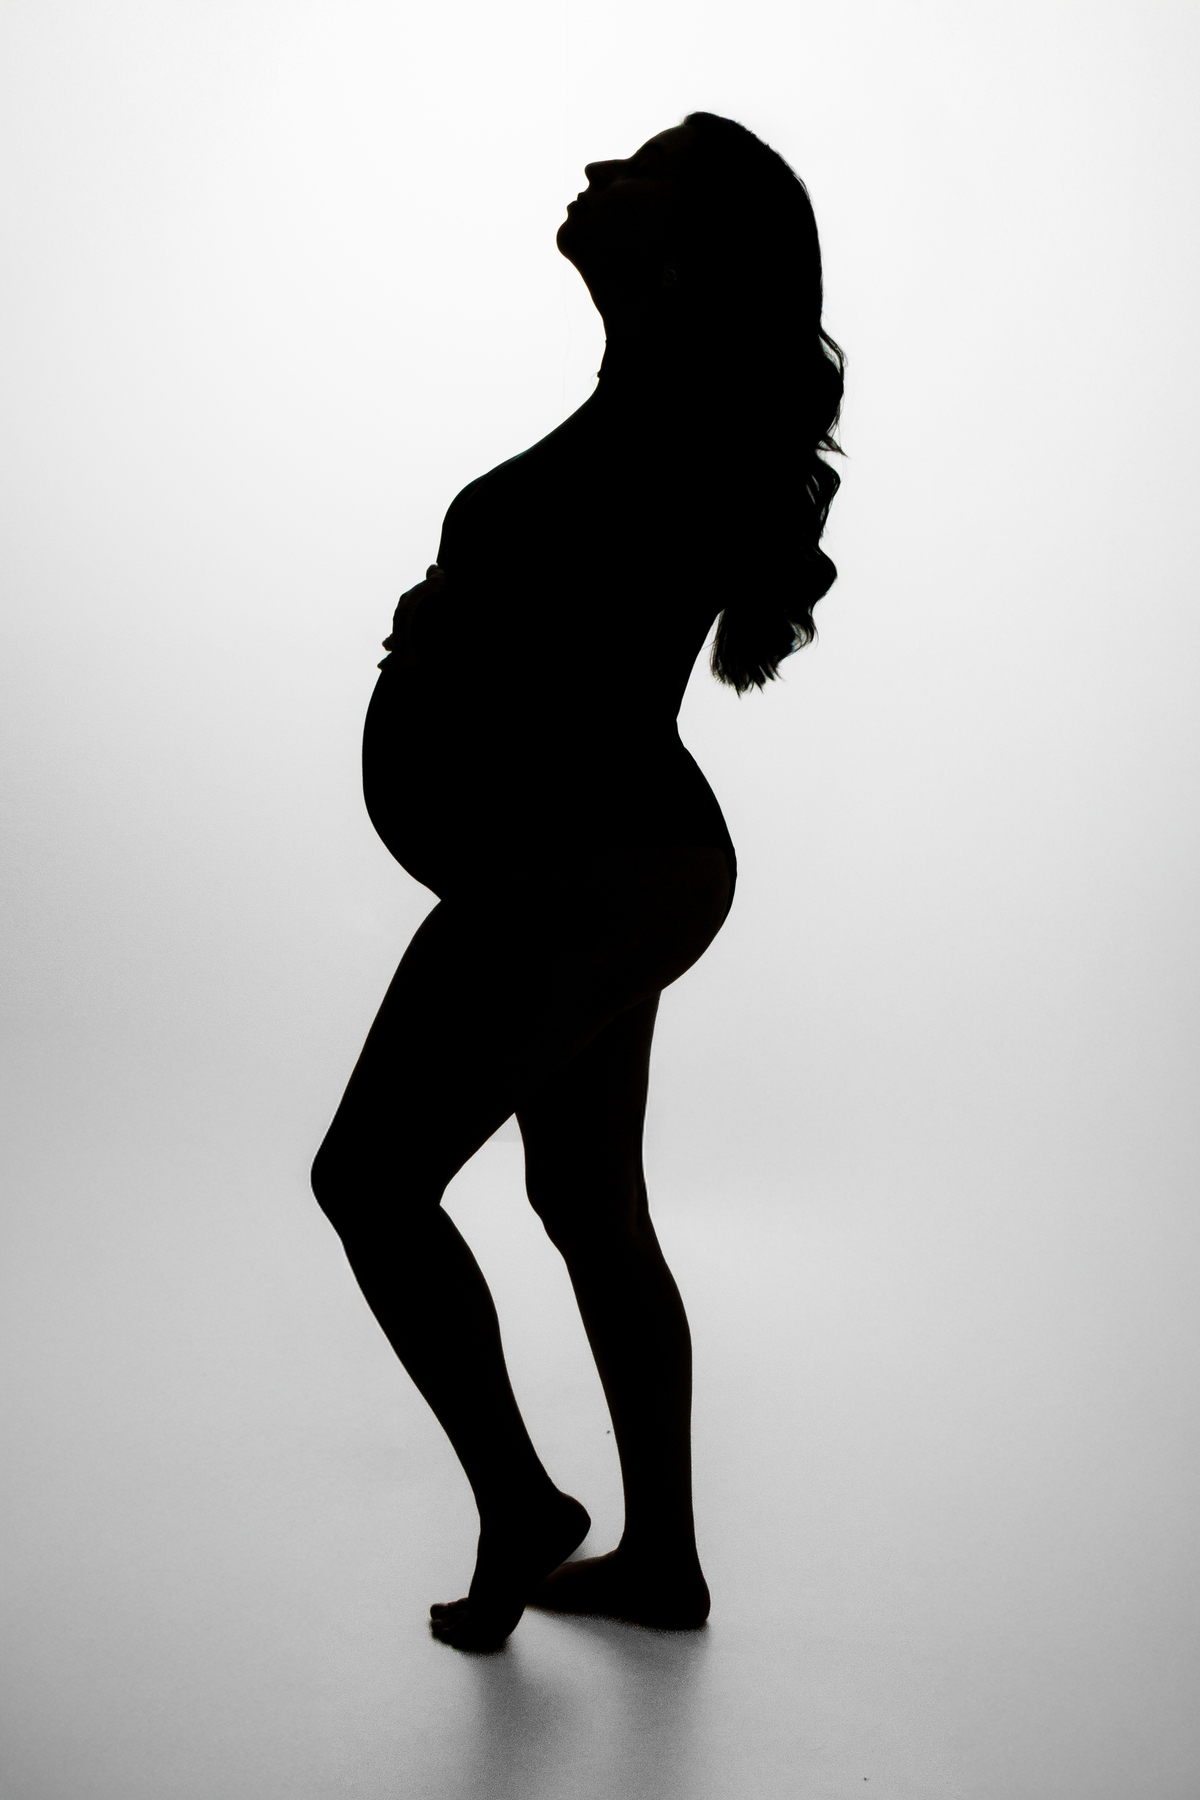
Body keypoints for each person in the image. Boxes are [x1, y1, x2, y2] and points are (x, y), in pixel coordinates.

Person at [311, 111, 844, 1653]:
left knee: (370, 1182)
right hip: (615, 861)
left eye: (648, 166)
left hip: (590, 861)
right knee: (589, 1203)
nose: (605, 172)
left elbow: (572, 654)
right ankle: (661, 1563)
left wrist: (449, 629)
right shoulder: (647, 408)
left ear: (686, 255)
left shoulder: (674, 422)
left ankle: (521, 1501)